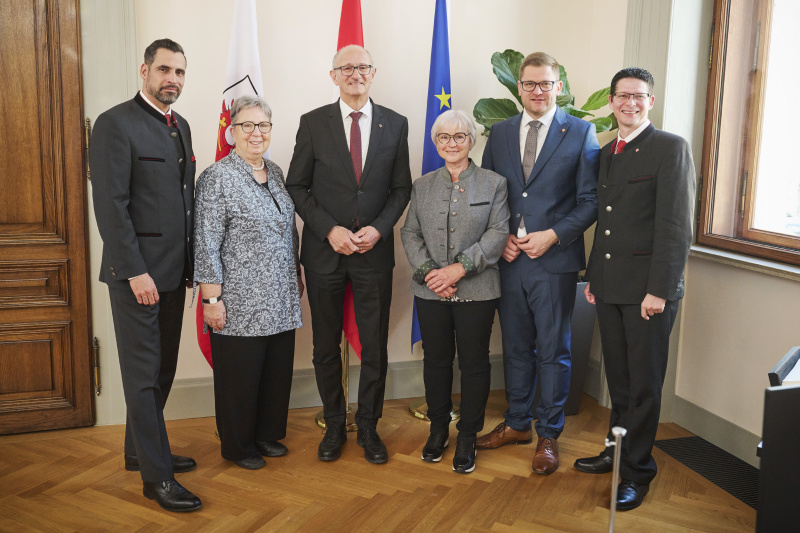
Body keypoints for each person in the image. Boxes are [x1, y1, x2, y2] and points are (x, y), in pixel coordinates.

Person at [576, 67, 695, 511]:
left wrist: (660, 291)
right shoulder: (608, 151)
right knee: (620, 380)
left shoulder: (670, 148)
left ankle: (638, 473)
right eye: (623, 96)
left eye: (639, 96)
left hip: (649, 292)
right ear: (611, 101)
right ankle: (617, 449)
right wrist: (593, 278)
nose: (630, 103)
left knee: (644, 384)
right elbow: (607, 223)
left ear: (650, 100)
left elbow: (675, 228)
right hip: (610, 287)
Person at [286, 45, 412, 464]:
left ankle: (370, 428)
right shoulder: (313, 123)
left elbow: (401, 189)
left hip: (373, 253)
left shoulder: (396, 124)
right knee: (325, 346)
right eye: (346, 68)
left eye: (362, 67)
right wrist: (329, 230)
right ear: (333, 75)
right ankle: (335, 425)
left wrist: (378, 229)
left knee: (374, 346)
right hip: (326, 253)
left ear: (373, 72)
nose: (355, 73)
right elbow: (296, 186)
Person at [90, 39, 201, 512]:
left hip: (174, 273)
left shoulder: (182, 126)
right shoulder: (116, 124)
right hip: (137, 277)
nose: (171, 79)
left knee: (162, 369)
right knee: (142, 375)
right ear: (144, 71)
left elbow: (182, 201)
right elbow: (110, 207)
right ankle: (157, 478)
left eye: (179, 71)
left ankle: (140, 449)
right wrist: (134, 271)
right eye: (163, 70)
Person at [478, 52, 600, 475]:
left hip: (555, 260)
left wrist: (553, 235)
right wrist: (501, 239)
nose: (537, 91)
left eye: (546, 84)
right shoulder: (500, 132)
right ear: (519, 88)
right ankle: (516, 424)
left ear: (558, 86)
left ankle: (548, 433)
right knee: (515, 348)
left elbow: (590, 201)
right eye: (530, 84)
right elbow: (489, 195)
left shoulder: (581, 132)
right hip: (510, 260)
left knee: (553, 350)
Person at [194, 95, 303, 471]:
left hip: (280, 294)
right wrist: (211, 300)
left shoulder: (275, 171)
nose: (256, 133)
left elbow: (288, 228)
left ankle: (265, 434)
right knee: (239, 377)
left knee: (274, 372)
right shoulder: (216, 178)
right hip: (237, 299)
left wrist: (297, 274)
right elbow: (205, 242)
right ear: (232, 131)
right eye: (248, 126)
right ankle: (239, 446)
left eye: (263, 126)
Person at [401, 110, 509, 474]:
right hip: (431, 291)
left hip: (478, 289)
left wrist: (458, 269)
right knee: (436, 361)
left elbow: (497, 234)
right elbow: (409, 233)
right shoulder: (422, 185)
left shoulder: (494, 183)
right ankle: (437, 430)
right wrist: (433, 274)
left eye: (459, 137)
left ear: (471, 141)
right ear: (436, 143)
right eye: (444, 138)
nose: (451, 144)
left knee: (475, 364)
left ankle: (467, 436)